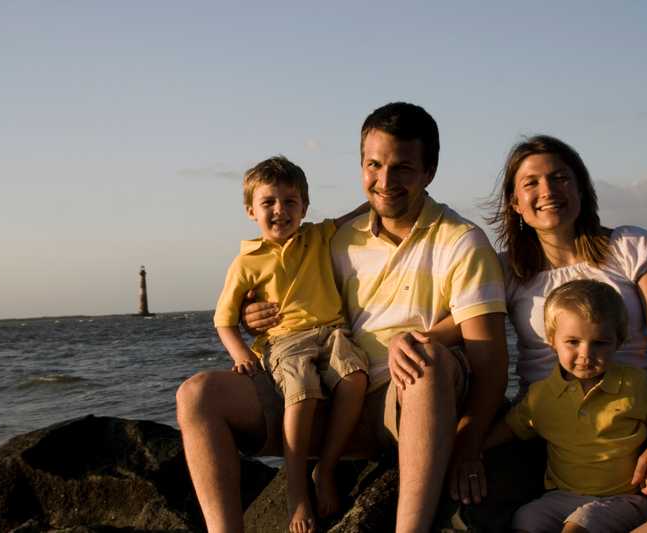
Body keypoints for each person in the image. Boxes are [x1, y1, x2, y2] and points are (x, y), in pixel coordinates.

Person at [180, 101, 509, 533]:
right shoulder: (336, 239)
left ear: (429, 172)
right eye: (374, 165)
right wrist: (251, 314)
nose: (385, 181)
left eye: (403, 168)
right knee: (198, 394)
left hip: (402, 406)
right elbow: (285, 285)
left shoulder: (461, 242)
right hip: (326, 395)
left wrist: (469, 444)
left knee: (426, 364)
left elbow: (491, 361)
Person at [485, 134, 647, 532]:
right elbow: (464, 325)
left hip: (637, 426)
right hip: (550, 435)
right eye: (531, 182)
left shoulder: (630, 246)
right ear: (515, 203)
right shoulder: (506, 271)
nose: (547, 190)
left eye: (560, 177)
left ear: (582, 187)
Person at [213, 156, 370, 532]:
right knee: (302, 394)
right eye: (269, 202)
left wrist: (381, 196)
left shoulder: (317, 236)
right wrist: (240, 355)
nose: (280, 211)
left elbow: (355, 214)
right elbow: (224, 320)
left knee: (356, 378)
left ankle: (326, 468)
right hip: (285, 341)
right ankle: (296, 490)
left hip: (332, 332)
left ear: (304, 207)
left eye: (290, 201)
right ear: (251, 210)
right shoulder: (246, 262)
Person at [484, 279, 647, 532]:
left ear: (618, 342)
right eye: (573, 342)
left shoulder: (634, 384)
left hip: (622, 499)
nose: (586, 354)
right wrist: (470, 451)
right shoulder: (541, 395)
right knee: (526, 519)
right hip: (562, 496)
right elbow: (512, 427)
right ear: (552, 340)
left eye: (600, 343)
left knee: (578, 526)